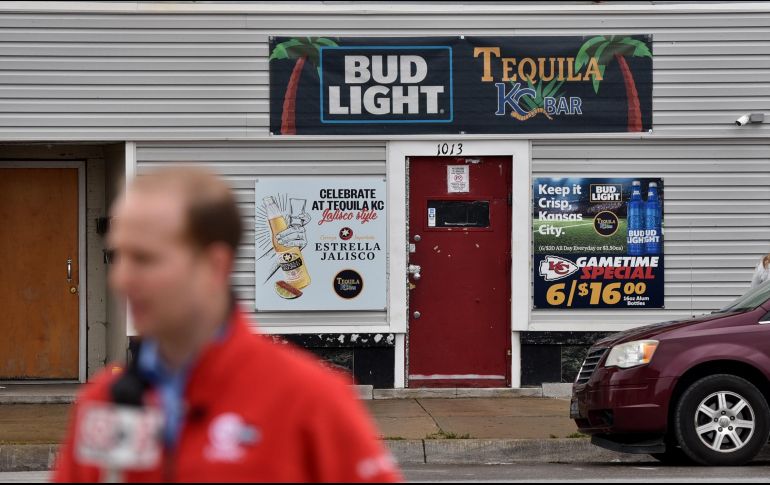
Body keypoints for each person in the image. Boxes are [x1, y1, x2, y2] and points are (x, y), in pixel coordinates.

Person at [54, 168, 401, 483]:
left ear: (214, 264)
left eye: (145, 258)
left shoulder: (311, 400)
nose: (121, 279)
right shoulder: (105, 402)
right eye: (118, 256)